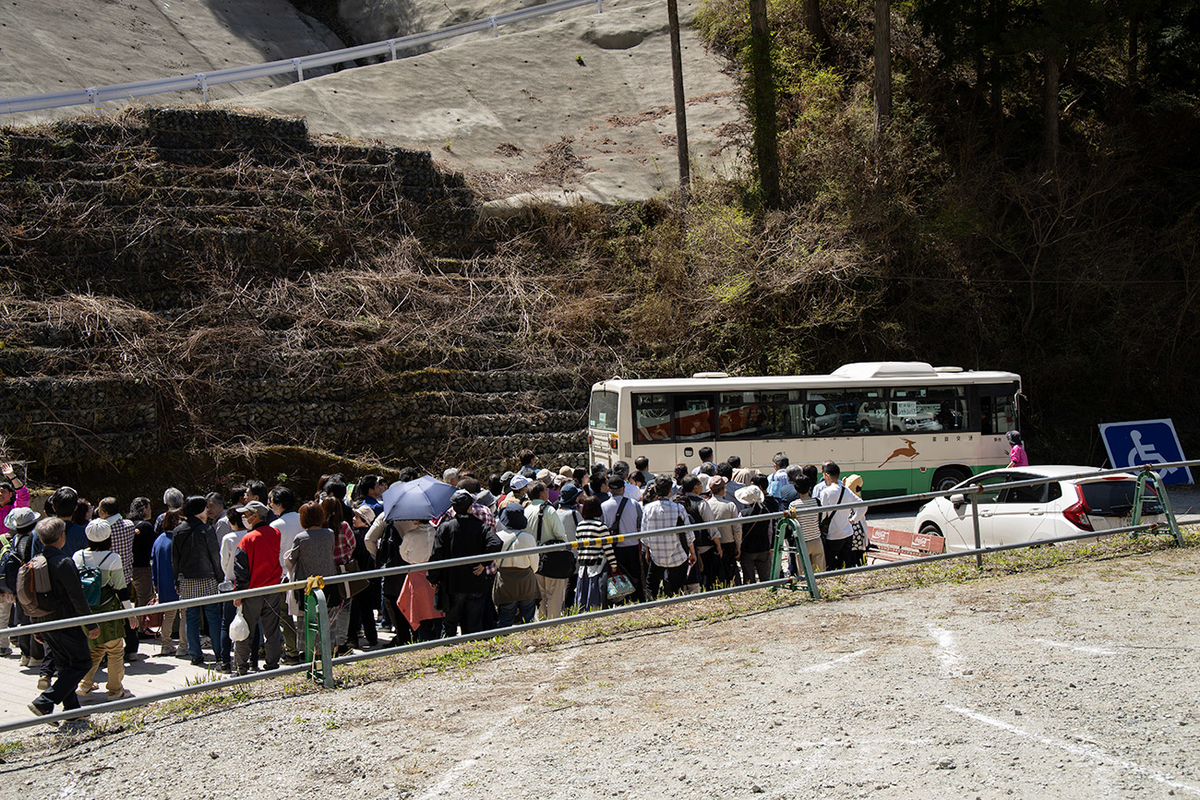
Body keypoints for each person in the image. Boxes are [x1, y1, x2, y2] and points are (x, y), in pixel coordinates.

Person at [26, 518, 99, 727]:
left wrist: (35, 625)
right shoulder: (64, 562)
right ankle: (44, 701)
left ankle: (71, 711)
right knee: (83, 661)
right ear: (62, 536)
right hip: (66, 622)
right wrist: (91, 623)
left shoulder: (36, 561)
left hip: (44, 622)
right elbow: (77, 596)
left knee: (64, 664)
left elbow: (32, 597)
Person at [73, 519, 133, 699]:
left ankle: (85, 685)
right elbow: (121, 588)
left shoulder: (78, 556)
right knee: (115, 649)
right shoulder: (113, 558)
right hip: (108, 608)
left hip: (86, 609)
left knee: (94, 647)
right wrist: (130, 613)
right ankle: (115, 689)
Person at [428, 490, 501, 637]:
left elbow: (437, 554)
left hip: (453, 580)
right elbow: (496, 542)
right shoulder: (480, 526)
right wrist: (483, 562)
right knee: (474, 621)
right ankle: (472, 649)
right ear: (470, 508)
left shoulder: (445, 527)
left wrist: (433, 577)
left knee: (450, 622)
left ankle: (447, 649)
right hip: (475, 578)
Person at [284, 502, 341, 660]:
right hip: (329, 582)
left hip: (308, 586)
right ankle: (327, 653)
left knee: (306, 621)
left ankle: (308, 653)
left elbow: (291, 559)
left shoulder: (301, 538)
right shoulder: (329, 533)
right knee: (329, 620)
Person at [232, 501, 282, 675]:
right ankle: (272, 664)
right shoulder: (276, 533)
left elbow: (241, 571)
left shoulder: (247, 539)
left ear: (255, 515)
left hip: (252, 591)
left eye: (246, 514)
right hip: (273, 589)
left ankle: (241, 667)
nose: (243, 517)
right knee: (272, 629)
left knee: (246, 631)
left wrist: (238, 594)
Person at [172, 495, 224, 667]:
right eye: (204, 508)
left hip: (186, 579)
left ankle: (195, 654)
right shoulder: (206, 530)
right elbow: (214, 556)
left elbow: (175, 559)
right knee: (213, 617)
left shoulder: (178, 531)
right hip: (208, 577)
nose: (207, 511)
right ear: (198, 511)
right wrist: (220, 577)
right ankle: (219, 653)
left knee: (191, 617)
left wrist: (177, 581)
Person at [95, 497, 138, 660]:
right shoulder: (129, 525)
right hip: (125, 574)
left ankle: (107, 650)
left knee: (108, 615)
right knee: (127, 612)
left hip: (107, 577)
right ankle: (132, 649)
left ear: (104, 512)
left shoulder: (103, 528)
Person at [642, 477, 696, 599]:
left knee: (651, 585)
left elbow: (644, 535)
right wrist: (692, 552)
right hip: (677, 555)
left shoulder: (648, 509)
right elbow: (688, 533)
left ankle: (651, 606)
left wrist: (647, 552)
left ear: (655, 489)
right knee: (676, 587)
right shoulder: (678, 508)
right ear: (670, 490)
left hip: (657, 555)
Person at [1, 507, 42, 665]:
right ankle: (35, 657)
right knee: (33, 618)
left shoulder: (16, 538)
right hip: (30, 583)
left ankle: (25, 655)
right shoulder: (32, 538)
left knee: (22, 619)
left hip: (17, 583)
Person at [268, 486, 303, 665]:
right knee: (306, 614)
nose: (269, 506)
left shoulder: (275, 526)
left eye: (271, 502)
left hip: (283, 575)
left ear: (279, 504)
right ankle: (308, 649)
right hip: (305, 573)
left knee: (285, 614)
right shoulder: (302, 519)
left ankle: (292, 652)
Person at [526, 481, 571, 620]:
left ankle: (541, 623)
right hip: (552, 557)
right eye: (546, 489)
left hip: (533, 559)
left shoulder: (525, 510)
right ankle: (553, 626)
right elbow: (560, 535)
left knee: (541, 596)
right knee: (554, 595)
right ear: (541, 493)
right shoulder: (549, 509)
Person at [493, 505, 540, 627]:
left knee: (505, 619)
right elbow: (535, 565)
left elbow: (495, 562)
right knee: (528, 619)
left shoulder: (498, 537)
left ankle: (504, 644)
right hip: (526, 581)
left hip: (505, 582)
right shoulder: (528, 538)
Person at [816, 462, 864, 571]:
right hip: (847, 533)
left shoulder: (826, 492)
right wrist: (853, 520)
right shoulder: (845, 490)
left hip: (833, 535)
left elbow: (823, 515)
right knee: (845, 566)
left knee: (829, 565)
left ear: (827, 475)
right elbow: (863, 506)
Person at [574, 496, 616, 610]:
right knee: (596, 592)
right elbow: (608, 548)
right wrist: (613, 564)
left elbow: (578, 546)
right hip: (598, 564)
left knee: (582, 591)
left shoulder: (580, 526)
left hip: (583, 565)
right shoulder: (601, 526)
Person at [127, 498, 156, 642]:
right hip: (142, 566)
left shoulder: (129, 524)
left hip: (129, 567)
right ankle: (142, 628)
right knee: (144, 597)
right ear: (144, 508)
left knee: (138, 598)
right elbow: (151, 547)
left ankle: (138, 626)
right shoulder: (145, 526)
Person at [735, 485, 773, 583]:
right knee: (765, 578)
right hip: (763, 547)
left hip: (747, 548)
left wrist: (738, 547)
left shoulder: (743, 513)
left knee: (748, 578)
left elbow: (739, 532)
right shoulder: (766, 511)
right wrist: (768, 546)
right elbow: (770, 531)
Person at [708, 476, 741, 585]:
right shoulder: (730, 505)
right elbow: (737, 529)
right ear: (723, 489)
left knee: (715, 574)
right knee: (731, 573)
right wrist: (738, 545)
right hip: (728, 543)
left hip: (711, 543)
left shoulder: (706, 505)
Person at [0, 462, 30, 537]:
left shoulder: (16, 508)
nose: (0, 494)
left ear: (10, 494)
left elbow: (23, 495)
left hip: (14, 545)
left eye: (3, 491)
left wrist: (11, 476)